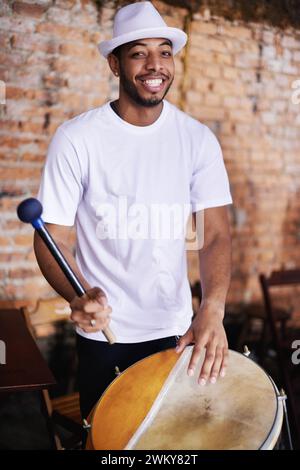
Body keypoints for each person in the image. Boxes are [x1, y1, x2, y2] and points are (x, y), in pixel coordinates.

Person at [34, 1, 232, 421]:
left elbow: (214, 234)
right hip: (106, 339)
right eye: (139, 52)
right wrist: (76, 295)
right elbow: (51, 237)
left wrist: (212, 307)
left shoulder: (197, 140)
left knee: (179, 443)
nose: (154, 64)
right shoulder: (77, 139)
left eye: (164, 51)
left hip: (179, 334)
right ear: (115, 63)